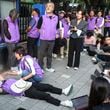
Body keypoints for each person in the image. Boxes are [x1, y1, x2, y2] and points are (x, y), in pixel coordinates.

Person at [0, 72, 73, 108]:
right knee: (45, 96)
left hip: (28, 84)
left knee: (47, 86)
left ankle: (63, 91)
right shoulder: (2, 88)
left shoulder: (4, 80)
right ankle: (63, 103)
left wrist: (10, 72)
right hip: (26, 92)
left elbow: (3, 74)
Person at [37, 2, 59, 72]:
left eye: (50, 6)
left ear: (53, 8)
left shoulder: (56, 18)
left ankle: (48, 67)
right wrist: (43, 33)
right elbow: (38, 28)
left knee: (49, 54)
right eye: (47, 6)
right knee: (41, 55)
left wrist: (57, 33)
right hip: (43, 39)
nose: (48, 7)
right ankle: (40, 68)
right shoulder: (42, 17)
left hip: (52, 40)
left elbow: (57, 27)